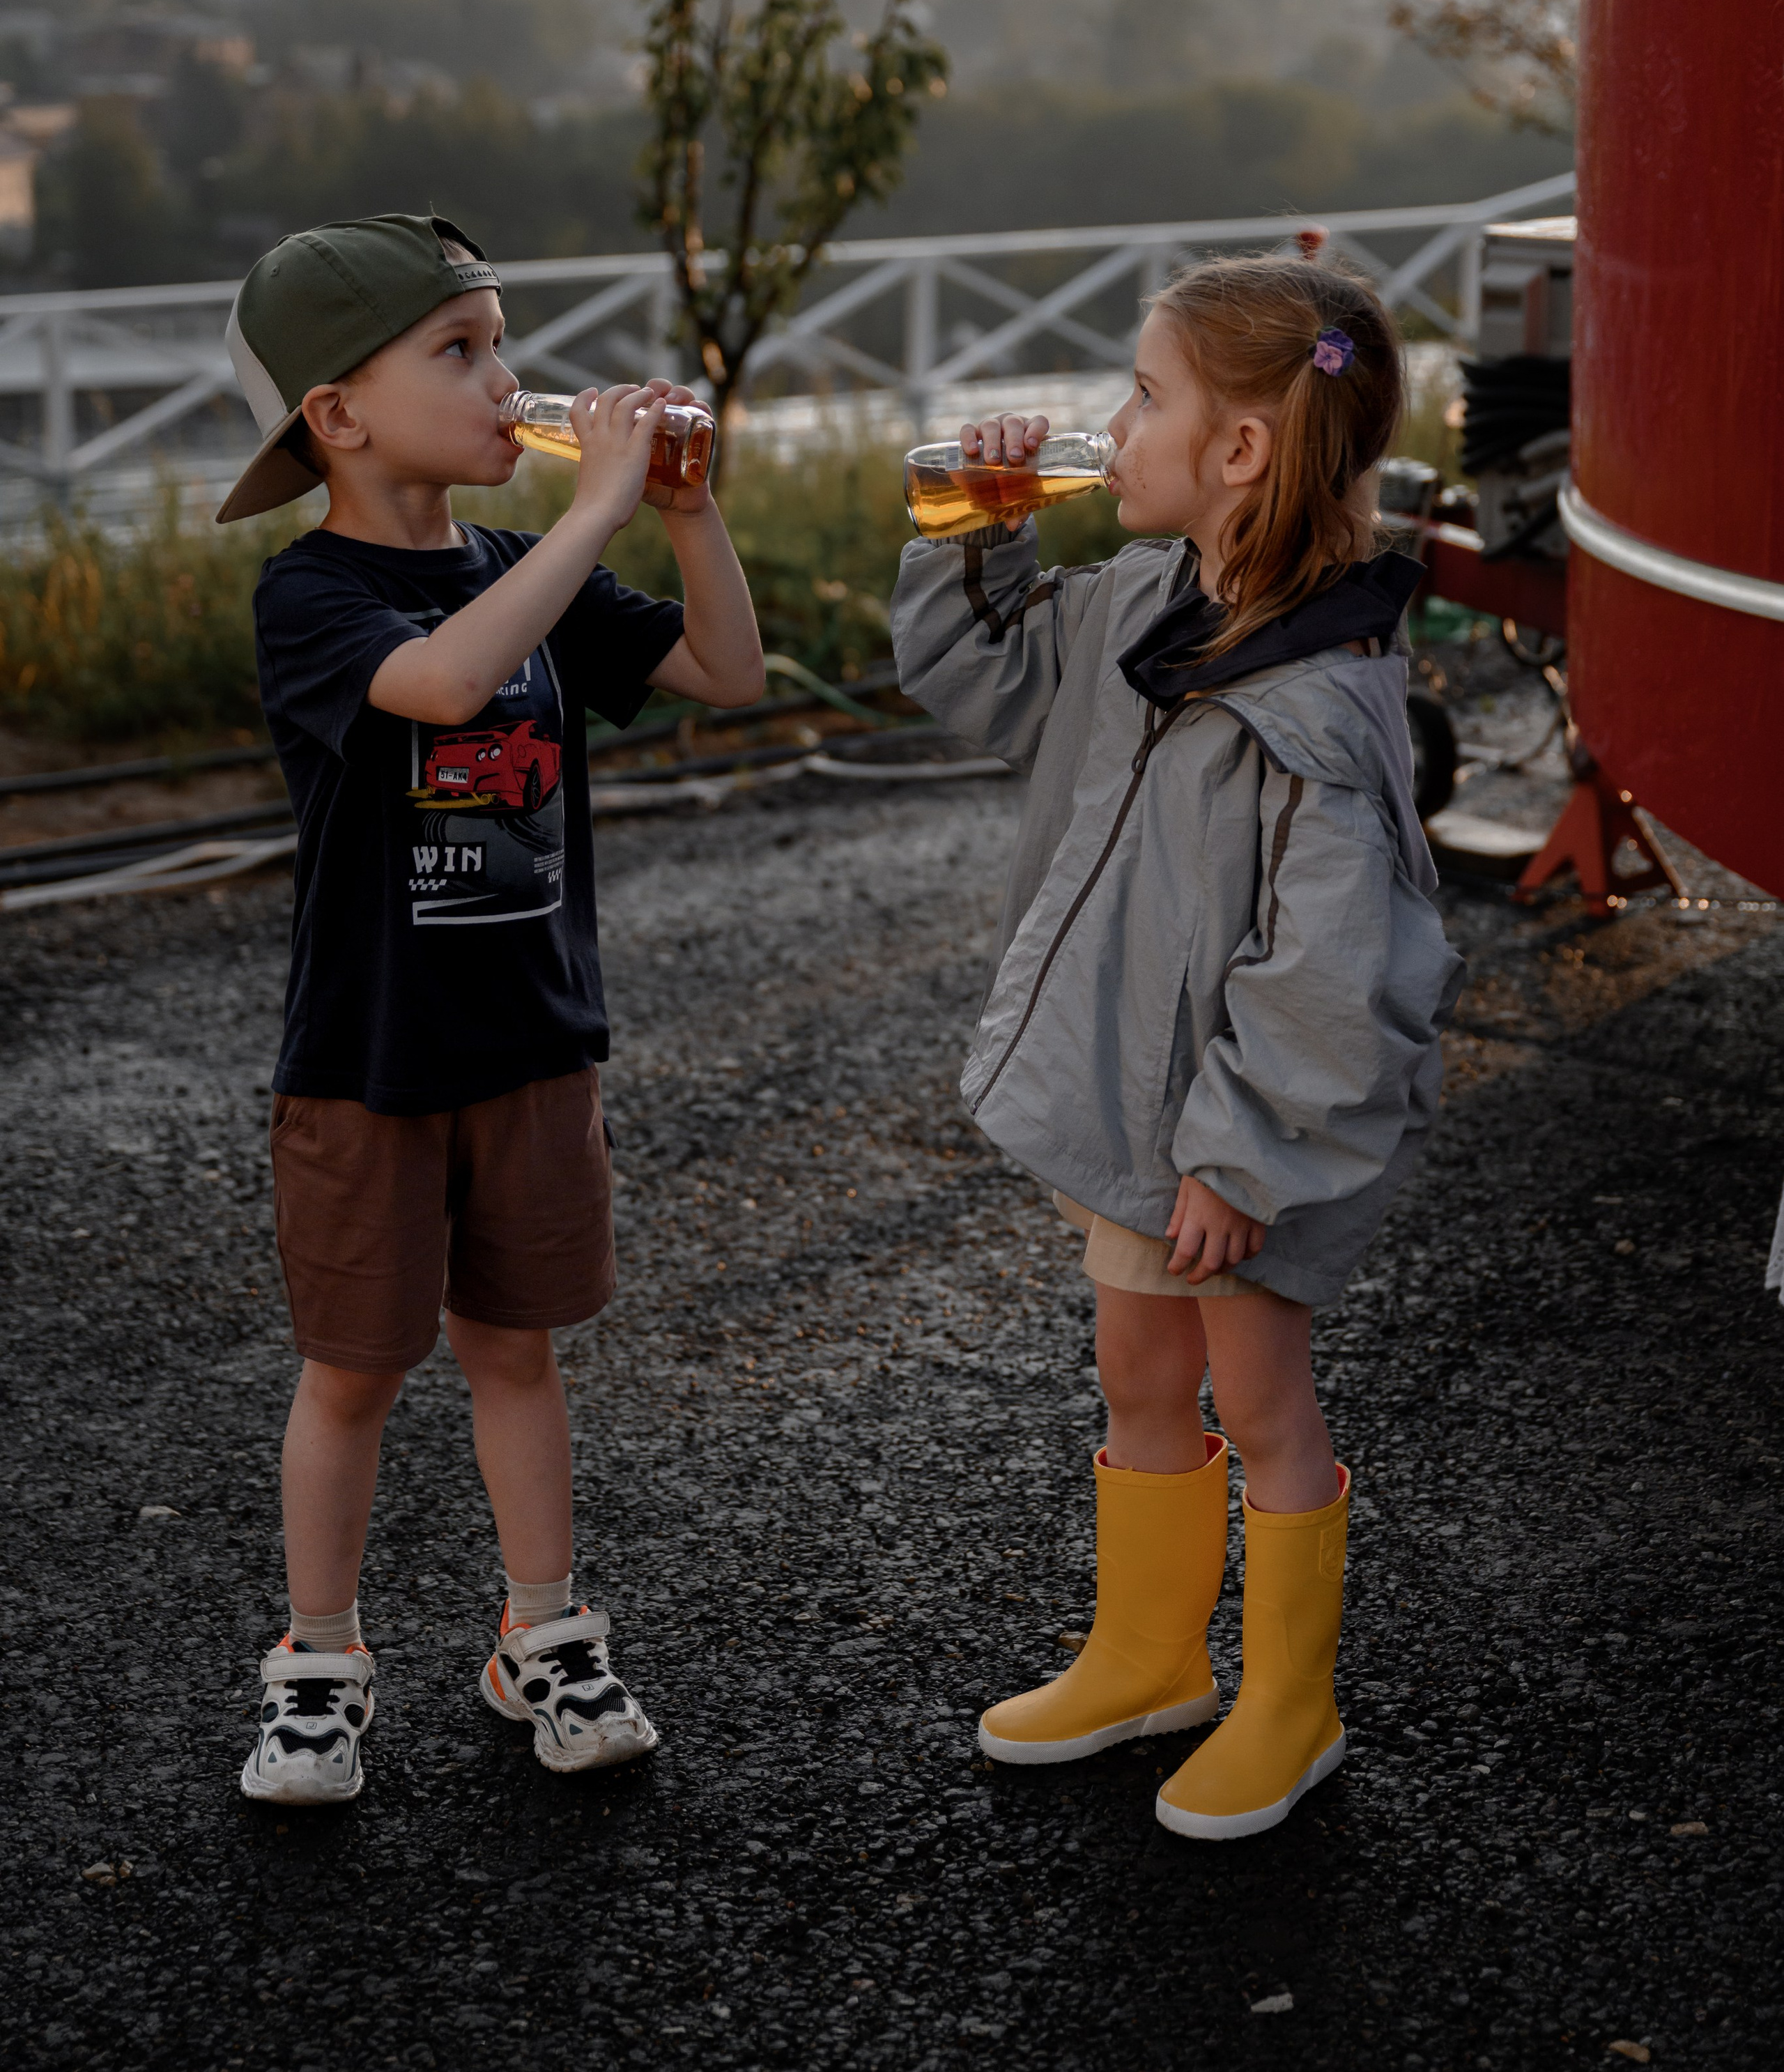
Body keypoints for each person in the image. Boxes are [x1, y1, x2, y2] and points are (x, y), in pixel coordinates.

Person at [890, 257, 1462, 1840]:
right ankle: (1149, 1655)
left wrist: (1237, 1158)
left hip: (1232, 1147)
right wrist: (971, 527)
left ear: (1238, 455)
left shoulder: (1323, 710)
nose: (1110, 425)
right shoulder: (1150, 604)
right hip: (1145, 1114)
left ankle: (1291, 1704)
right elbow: (977, 680)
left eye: (1143, 396)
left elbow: (1334, 974)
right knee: (1135, 1366)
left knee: (1258, 1398)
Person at [222, 213, 764, 1806]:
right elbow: (445, 686)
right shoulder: (309, 598)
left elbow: (726, 672)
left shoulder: (520, 569)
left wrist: (684, 513)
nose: (508, 380)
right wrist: (593, 507)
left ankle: (546, 1632)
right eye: (458, 352)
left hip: (530, 1046)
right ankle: (319, 1663)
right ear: (338, 414)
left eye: (503, 343)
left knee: (515, 1351)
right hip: (369, 1067)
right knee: (353, 1369)